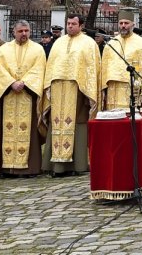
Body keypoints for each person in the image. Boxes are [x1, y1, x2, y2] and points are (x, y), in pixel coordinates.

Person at [41, 13, 99, 175]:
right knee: (57, 124)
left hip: (78, 90)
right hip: (57, 89)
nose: (70, 26)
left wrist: (88, 90)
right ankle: (56, 165)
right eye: (68, 23)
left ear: (81, 26)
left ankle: (77, 165)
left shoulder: (88, 43)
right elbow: (51, 65)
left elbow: (91, 68)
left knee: (76, 124)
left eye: (73, 24)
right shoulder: (58, 42)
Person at [0, 20, 46, 177]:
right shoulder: (4, 49)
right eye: (20, 31)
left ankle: (30, 168)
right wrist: (11, 83)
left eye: (26, 31)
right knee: (6, 129)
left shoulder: (38, 49)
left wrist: (24, 82)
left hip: (28, 94)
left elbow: (39, 69)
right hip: (8, 94)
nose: (24, 34)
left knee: (29, 131)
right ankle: (6, 169)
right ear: (14, 32)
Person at [100, 9, 142, 112]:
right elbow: (104, 69)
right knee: (113, 117)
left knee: (130, 116)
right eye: (121, 23)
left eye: (126, 23)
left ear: (133, 25)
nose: (123, 26)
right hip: (112, 88)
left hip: (132, 87)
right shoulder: (111, 44)